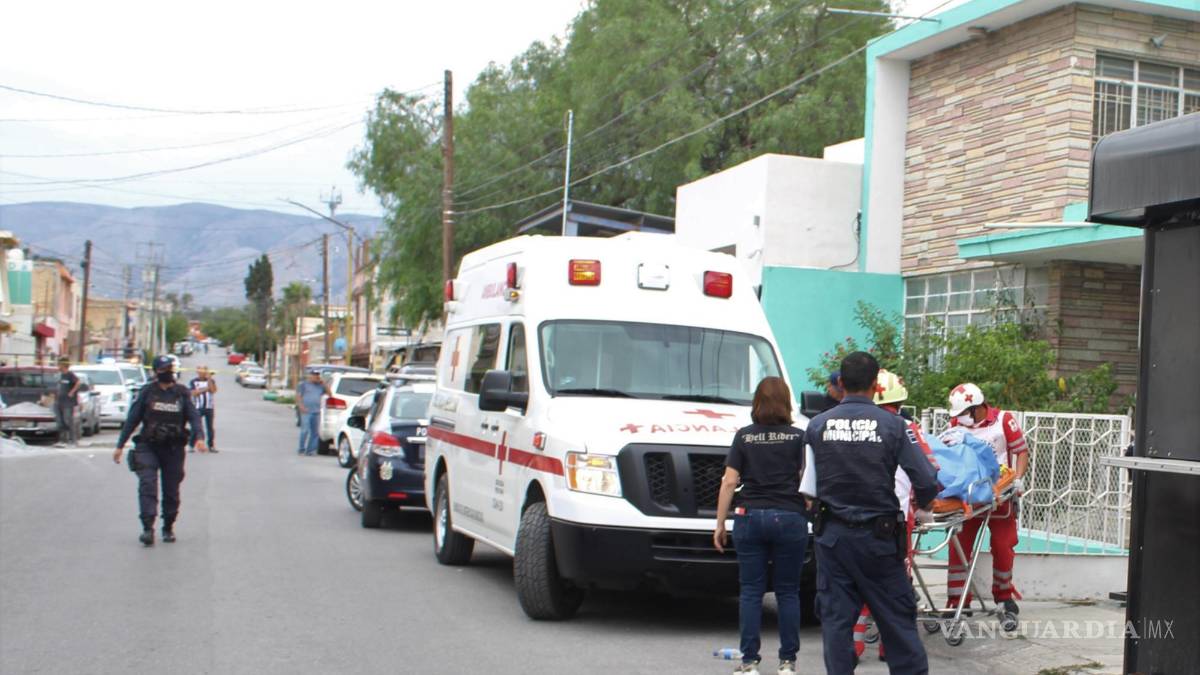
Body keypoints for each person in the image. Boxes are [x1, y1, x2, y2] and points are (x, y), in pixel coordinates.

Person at [803, 352, 939, 675]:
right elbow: (926, 481)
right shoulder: (894, 426)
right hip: (878, 541)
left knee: (837, 622)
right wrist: (926, 505)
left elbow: (807, 490)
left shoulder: (817, 425)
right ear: (876, 384)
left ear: (840, 383)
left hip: (833, 541)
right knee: (897, 620)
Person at [713, 377, 807, 675]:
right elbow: (808, 480)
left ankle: (749, 662)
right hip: (789, 517)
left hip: (749, 515)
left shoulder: (744, 436)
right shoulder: (798, 437)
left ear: (757, 403)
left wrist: (719, 523)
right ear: (785, 402)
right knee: (788, 592)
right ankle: (787, 663)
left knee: (751, 591)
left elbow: (729, 481)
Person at [853, 369, 940, 663]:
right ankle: (888, 647)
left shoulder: (850, 424)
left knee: (857, 580)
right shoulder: (905, 428)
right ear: (898, 402)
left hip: (850, 516)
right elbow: (929, 469)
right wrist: (925, 506)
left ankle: (853, 644)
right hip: (895, 520)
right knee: (892, 585)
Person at [945, 383, 1028, 616]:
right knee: (958, 545)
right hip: (969, 496)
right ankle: (957, 600)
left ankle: (1003, 596)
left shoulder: (1004, 420)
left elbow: (1021, 451)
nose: (960, 418)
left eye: (963, 413)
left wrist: (1018, 478)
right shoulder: (955, 425)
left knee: (1003, 545)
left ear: (977, 407)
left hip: (1000, 494)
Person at [112, 355, 206, 546]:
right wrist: (120, 445)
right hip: (149, 445)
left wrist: (200, 438)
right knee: (148, 484)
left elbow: (194, 416)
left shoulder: (181, 393)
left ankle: (168, 526)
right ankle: (147, 527)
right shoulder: (148, 392)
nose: (168, 373)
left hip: (173, 448)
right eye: (164, 370)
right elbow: (133, 419)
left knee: (171, 490)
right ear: (156, 372)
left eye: (170, 369)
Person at [295, 370, 328, 456]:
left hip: (316, 411)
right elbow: (298, 396)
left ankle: (310, 450)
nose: (315, 377)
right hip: (306, 410)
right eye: (314, 375)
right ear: (310, 375)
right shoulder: (303, 385)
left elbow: (330, 394)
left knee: (315, 432)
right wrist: (301, 406)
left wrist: (324, 383)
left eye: (317, 375)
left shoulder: (320, 386)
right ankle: (301, 448)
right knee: (305, 430)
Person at [188, 366, 219, 454]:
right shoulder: (194, 381)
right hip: (198, 407)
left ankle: (211, 445)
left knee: (210, 427)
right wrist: (205, 389)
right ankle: (191, 444)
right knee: (196, 426)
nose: (203, 373)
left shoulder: (211, 381)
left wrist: (209, 380)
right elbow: (194, 393)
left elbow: (213, 390)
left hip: (209, 407)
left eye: (205, 371)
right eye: (201, 371)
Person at [54, 358, 80, 448]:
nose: (58, 366)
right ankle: (62, 440)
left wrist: (72, 392)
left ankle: (72, 440)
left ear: (64, 365)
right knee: (60, 421)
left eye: (59, 364)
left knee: (68, 420)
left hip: (68, 403)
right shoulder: (59, 375)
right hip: (59, 401)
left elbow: (78, 382)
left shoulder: (70, 375)